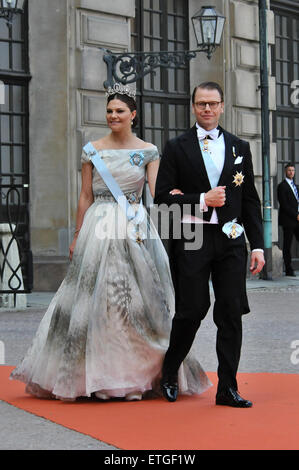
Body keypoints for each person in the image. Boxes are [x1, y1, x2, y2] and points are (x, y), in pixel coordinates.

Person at [10, 83, 211, 402]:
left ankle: (135, 374)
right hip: (99, 226)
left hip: (135, 228)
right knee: (94, 301)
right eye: (109, 111)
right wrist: (77, 235)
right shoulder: (92, 149)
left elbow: (158, 194)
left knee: (134, 302)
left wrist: (188, 203)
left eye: (119, 111)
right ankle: (91, 374)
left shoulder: (147, 151)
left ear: (133, 114)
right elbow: (85, 196)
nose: (113, 116)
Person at [154, 81, 265, 407]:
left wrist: (257, 245)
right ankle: (170, 371)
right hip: (193, 239)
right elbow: (162, 198)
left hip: (231, 240)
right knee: (192, 310)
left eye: (212, 103)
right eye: (201, 103)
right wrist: (201, 199)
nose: (207, 109)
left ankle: (227, 388)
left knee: (230, 310)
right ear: (193, 106)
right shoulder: (176, 147)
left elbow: (250, 201)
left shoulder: (239, 147)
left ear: (221, 106)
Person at [277, 164, 299, 277]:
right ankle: (289, 269)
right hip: (288, 220)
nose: (291, 172)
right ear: (285, 171)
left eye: (293, 170)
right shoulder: (282, 186)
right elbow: (284, 205)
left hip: (297, 219)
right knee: (287, 245)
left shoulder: (296, 186)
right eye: (289, 170)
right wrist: (296, 215)